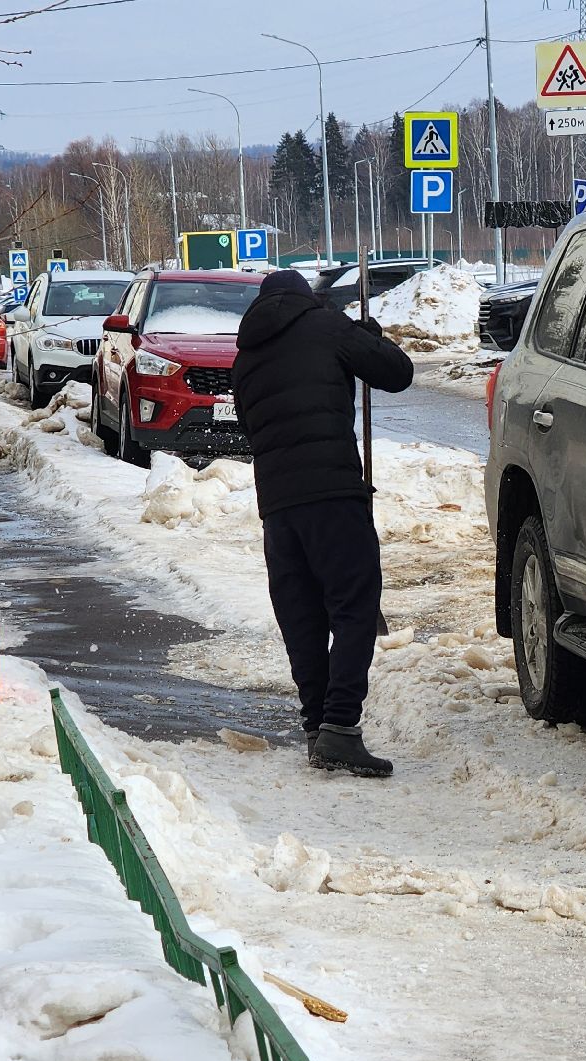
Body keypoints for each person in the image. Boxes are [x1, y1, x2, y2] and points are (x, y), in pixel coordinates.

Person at [233, 269, 414, 777]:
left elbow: (251, 428)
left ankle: (317, 728)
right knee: (355, 607)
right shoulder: (327, 326)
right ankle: (340, 727)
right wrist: (366, 338)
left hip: (279, 509)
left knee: (303, 618)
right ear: (303, 298)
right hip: (334, 495)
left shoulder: (244, 358)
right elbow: (397, 373)